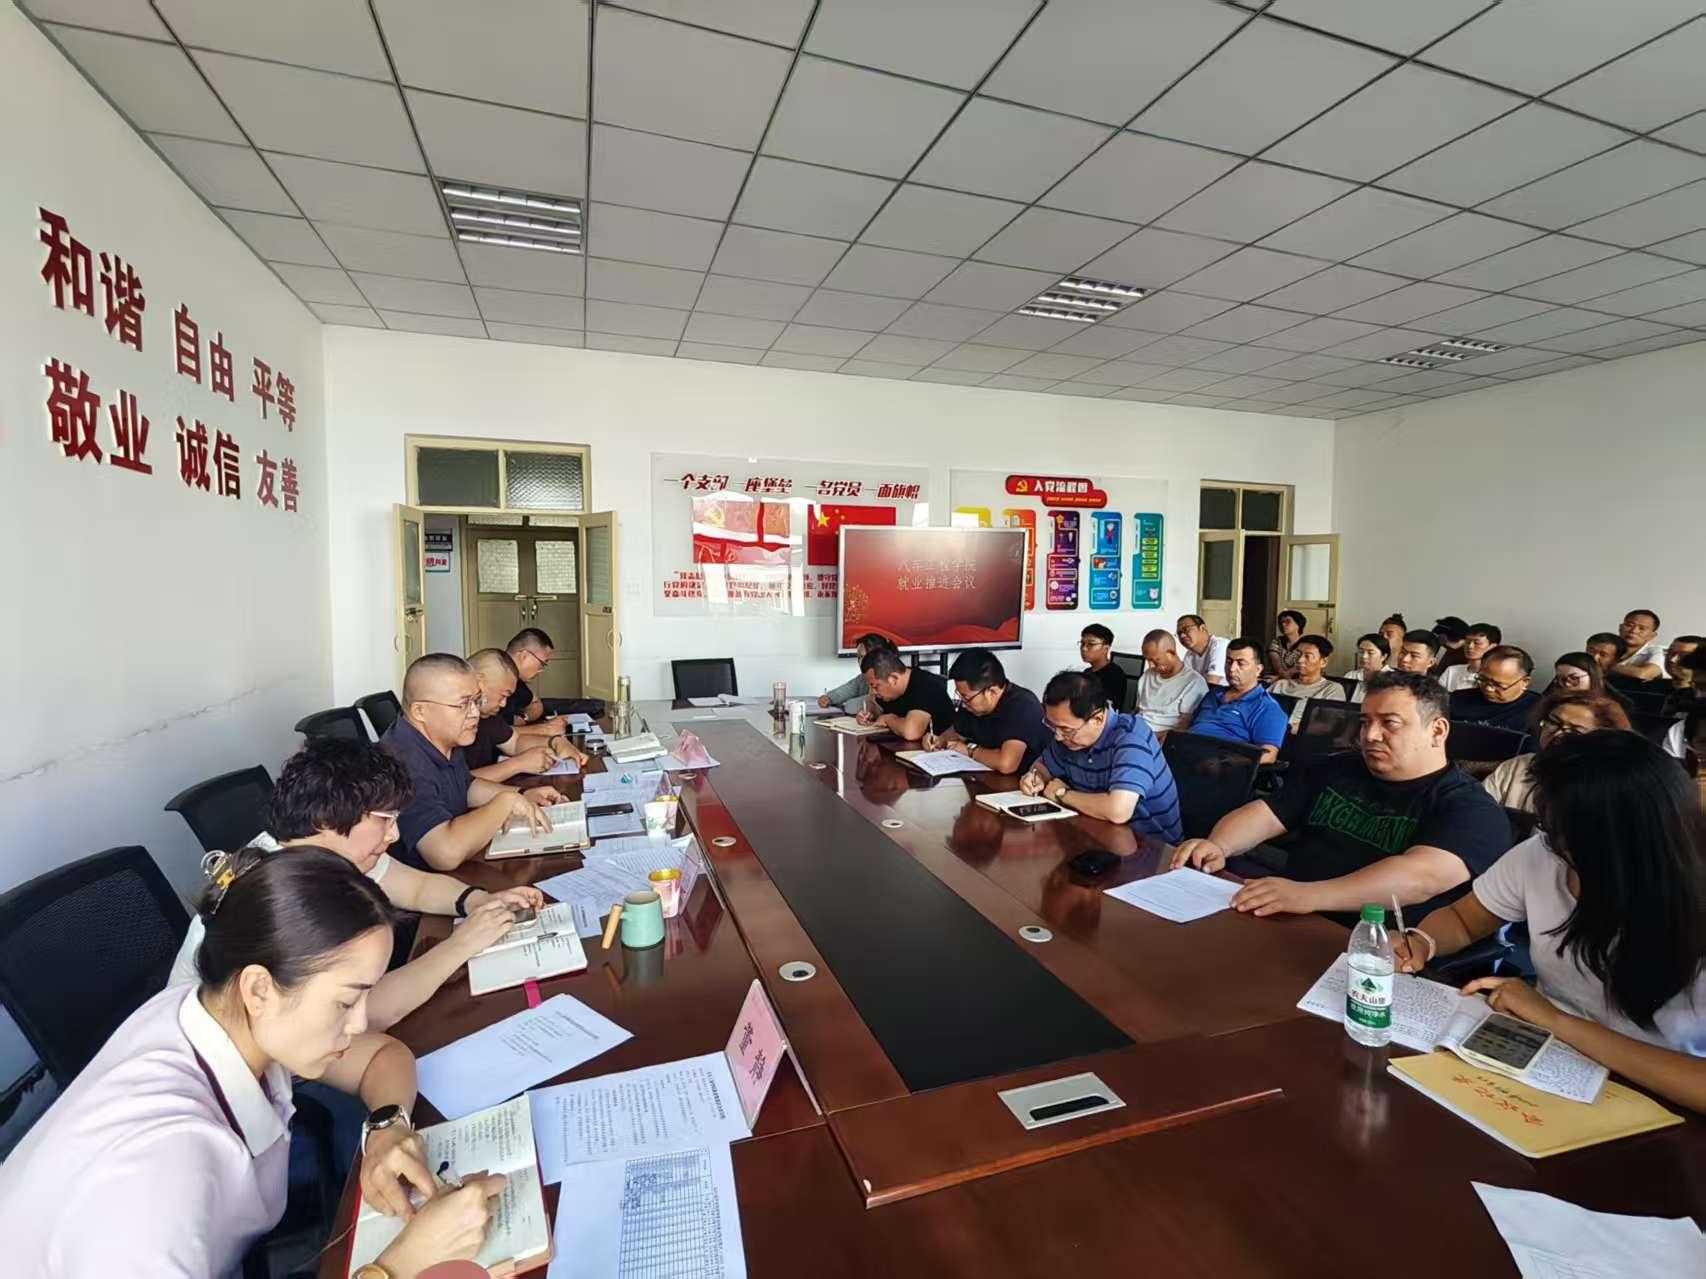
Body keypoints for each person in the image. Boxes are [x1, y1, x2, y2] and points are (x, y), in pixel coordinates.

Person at [0, 850, 507, 1278]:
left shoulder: (226, 1017)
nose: (358, 1023)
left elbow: (382, 1056)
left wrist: (386, 1129)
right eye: (345, 1001)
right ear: (260, 988)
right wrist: (399, 1267)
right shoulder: (158, 1180)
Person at [1395, 732, 1706, 1113]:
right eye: (1549, 826)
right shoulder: (1544, 854)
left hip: (1657, 1099)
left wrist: (1556, 1020)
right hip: (1544, 1060)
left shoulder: (1692, 910)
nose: (1553, 845)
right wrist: (1422, 941)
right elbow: (1463, 920)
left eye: (1567, 835)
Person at [166, 739, 544, 1029]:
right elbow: (363, 1014)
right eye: (384, 819)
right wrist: (463, 944)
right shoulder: (281, 897)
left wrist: (479, 902)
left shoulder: (322, 852)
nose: (394, 835)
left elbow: (417, 888)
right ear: (328, 817)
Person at [1172, 671, 1511, 922]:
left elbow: (1420, 878)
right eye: (1365, 722)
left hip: (1375, 947)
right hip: (1285, 914)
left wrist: (1308, 896)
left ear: (1437, 730)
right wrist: (1219, 845)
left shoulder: (1470, 809)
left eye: (1390, 723)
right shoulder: (1336, 768)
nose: (1370, 735)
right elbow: (1269, 813)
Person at [381, 653, 560, 870]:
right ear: (420, 711)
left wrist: (521, 795)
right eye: (464, 704)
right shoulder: (402, 762)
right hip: (422, 881)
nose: (475, 713)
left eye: (476, 701)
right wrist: (504, 804)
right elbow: (444, 853)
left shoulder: (442, 737)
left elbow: (465, 786)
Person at [1019, 671, 1182, 842]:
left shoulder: (1131, 738)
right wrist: (1036, 778)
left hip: (1151, 847)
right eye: (1052, 726)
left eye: (1065, 729)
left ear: (1098, 718)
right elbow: (1042, 766)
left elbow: (1118, 811)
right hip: (1096, 834)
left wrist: (1062, 794)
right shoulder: (1069, 736)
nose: (1058, 736)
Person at [1481, 691, 1631, 814]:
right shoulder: (1518, 766)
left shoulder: (1607, 789)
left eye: (1575, 731)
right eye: (1553, 723)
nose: (1558, 734)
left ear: (1603, 741)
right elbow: (1478, 810)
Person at [464, 649, 585, 782]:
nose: (504, 704)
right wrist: (518, 764)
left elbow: (514, 743)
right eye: (503, 695)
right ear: (480, 682)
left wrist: (555, 742)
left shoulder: (487, 717)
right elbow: (457, 783)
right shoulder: (454, 721)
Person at [924, 649, 1049, 774]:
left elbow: (1006, 764)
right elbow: (957, 732)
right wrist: (940, 740)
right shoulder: (972, 705)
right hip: (990, 777)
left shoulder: (1022, 706)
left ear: (992, 692)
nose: (963, 703)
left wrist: (970, 751)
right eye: (961, 696)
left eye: (966, 698)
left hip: (1027, 781)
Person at [1181, 638, 1288, 764]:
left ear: (1258, 670)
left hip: (1216, 765)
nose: (1232, 668)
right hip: (1183, 754)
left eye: (1240, 663)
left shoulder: (1266, 707)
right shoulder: (1213, 694)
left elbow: (1268, 755)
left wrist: (1224, 761)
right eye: (1229, 661)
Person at [856, 646, 954, 741]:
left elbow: (911, 732)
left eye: (875, 686)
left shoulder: (925, 686)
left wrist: (888, 719)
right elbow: (875, 705)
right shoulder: (889, 687)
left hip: (941, 748)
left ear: (893, 679)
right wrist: (869, 713)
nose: (873, 691)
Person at [1448, 645, 1542, 733]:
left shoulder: (1539, 709)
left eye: (1498, 685)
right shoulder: (1458, 699)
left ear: (1525, 682)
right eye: (1483, 679)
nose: (1488, 689)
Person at [1133, 629, 1207, 736]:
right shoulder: (1147, 675)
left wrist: (1150, 737)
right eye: (1148, 660)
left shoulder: (1194, 682)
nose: (1150, 665)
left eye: (1155, 660)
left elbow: (1184, 726)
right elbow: (1137, 710)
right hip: (1134, 729)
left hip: (1159, 738)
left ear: (1172, 652)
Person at [1267, 634, 1347, 730]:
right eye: (1298, 654)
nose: (1300, 660)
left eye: (1307, 656)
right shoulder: (1280, 685)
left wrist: (1288, 728)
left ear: (1323, 662)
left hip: (1297, 735)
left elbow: (1329, 725)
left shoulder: (1331, 689)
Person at [819, 633, 892, 710]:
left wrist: (848, 705)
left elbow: (853, 706)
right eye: (858, 657)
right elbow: (847, 689)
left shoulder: (888, 679)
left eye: (862, 657)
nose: (859, 662)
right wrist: (829, 698)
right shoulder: (862, 678)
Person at [1438, 622, 1501, 694]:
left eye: (1477, 643)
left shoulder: (1498, 675)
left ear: (1492, 647)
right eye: (1467, 642)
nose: (1470, 646)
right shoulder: (1451, 671)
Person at [1079, 623, 1127, 712]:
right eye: (1082, 643)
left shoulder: (1115, 675)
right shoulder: (1087, 672)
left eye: (1091, 644)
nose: (1084, 648)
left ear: (1106, 648)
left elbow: (1106, 709)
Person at [1610, 608, 1667, 682]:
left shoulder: (1658, 651)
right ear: (1620, 627)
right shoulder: (1607, 648)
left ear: (1652, 635)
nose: (1633, 631)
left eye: (1642, 628)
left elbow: (1643, 674)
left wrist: (1605, 665)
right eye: (1629, 625)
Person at [1176, 614, 1228, 687]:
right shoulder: (1190, 655)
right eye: (1179, 633)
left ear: (1202, 628)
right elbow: (1183, 683)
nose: (1182, 636)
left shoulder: (1220, 646)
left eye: (1186, 629)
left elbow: (1211, 684)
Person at [1348, 633, 1390, 704]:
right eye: (1361, 651)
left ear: (1384, 656)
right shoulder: (1351, 676)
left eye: (1370, 653)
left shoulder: (1394, 678)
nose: (1364, 656)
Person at [1267, 610, 1305, 679]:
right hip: (1279, 679)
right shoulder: (1276, 642)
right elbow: (1277, 666)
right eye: (1281, 622)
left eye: (1288, 622)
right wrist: (1282, 674)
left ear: (1298, 625)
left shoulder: (1306, 644)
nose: (1283, 624)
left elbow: (1305, 666)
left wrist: (1285, 674)